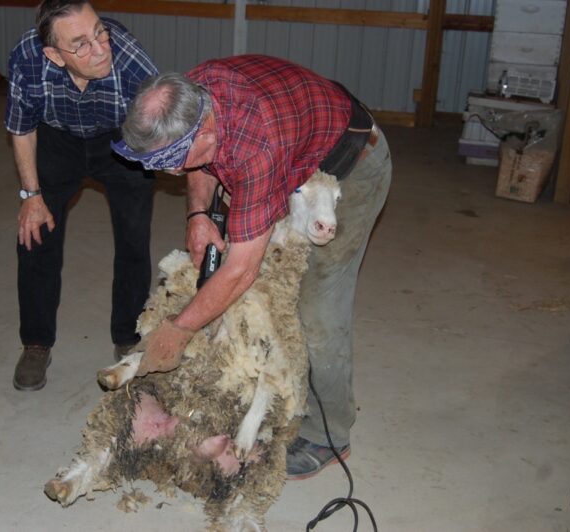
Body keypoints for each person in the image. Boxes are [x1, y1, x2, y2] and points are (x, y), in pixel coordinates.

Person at [111, 55, 392, 479]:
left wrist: (179, 329)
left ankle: (328, 433)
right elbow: (202, 160)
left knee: (317, 306)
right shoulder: (193, 94)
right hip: (295, 137)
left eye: (167, 160)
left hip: (350, 165)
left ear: (204, 130)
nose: (164, 172)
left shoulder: (255, 147)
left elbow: (243, 269)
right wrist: (198, 213)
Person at [5, 0, 158, 391]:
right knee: (36, 236)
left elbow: (169, 130)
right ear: (54, 55)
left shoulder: (132, 63)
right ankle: (37, 343)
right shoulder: (27, 59)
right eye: (82, 44)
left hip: (121, 139)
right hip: (57, 138)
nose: (101, 48)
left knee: (133, 238)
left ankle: (129, 334)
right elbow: (22, 129)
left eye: (99, 32)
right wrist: (31, 195)